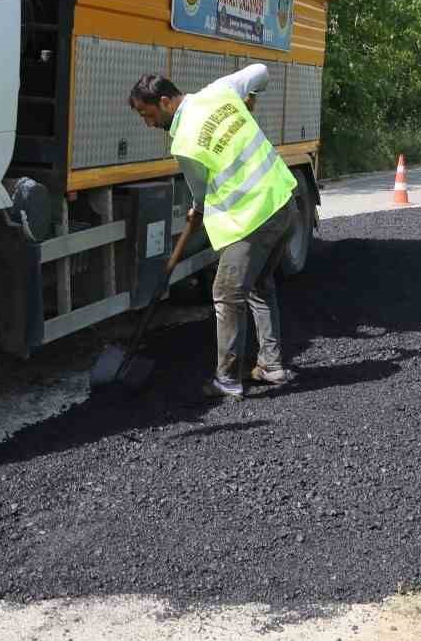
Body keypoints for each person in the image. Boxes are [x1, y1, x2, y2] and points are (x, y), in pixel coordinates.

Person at [128, 65, 298, 399]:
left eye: (147, 115)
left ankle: (228, 379)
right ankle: (271, 365)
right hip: (284, 201)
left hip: (254, 218)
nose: (148, 124)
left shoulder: (184, 143)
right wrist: (250, 95)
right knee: (260, 285)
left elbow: (201, 192)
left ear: (164, 102)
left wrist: (197, 208)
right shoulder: (220, 90)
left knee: (226, 294)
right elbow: (261, 71)